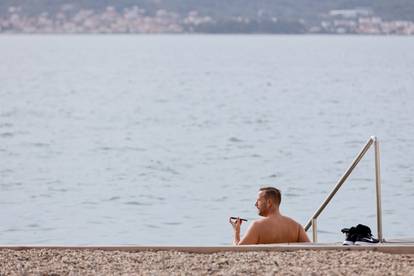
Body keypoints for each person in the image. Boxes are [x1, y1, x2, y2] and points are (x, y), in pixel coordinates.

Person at [229, 186, 310, 245]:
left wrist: (236, 232)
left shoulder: (257, 226)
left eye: (259, 200)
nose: (255, 204)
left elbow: (239, 250)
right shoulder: (297, 227)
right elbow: (311, 249)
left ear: (269, 203)